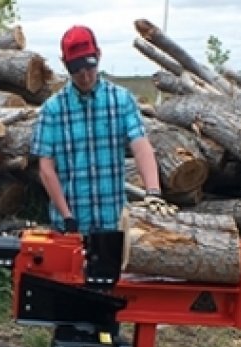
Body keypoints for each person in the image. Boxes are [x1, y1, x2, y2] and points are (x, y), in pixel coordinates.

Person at [31, 25, 171, 234]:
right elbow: (46, 168)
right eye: (76, 70)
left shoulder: (121, 100)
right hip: (71, 227)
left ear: (98, 55)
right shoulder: (52, 110)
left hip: (114, 225)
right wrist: (67, 216)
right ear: (65, 64)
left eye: (89, 66)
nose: (85, 76)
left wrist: (153, 190)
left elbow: (141, 147)